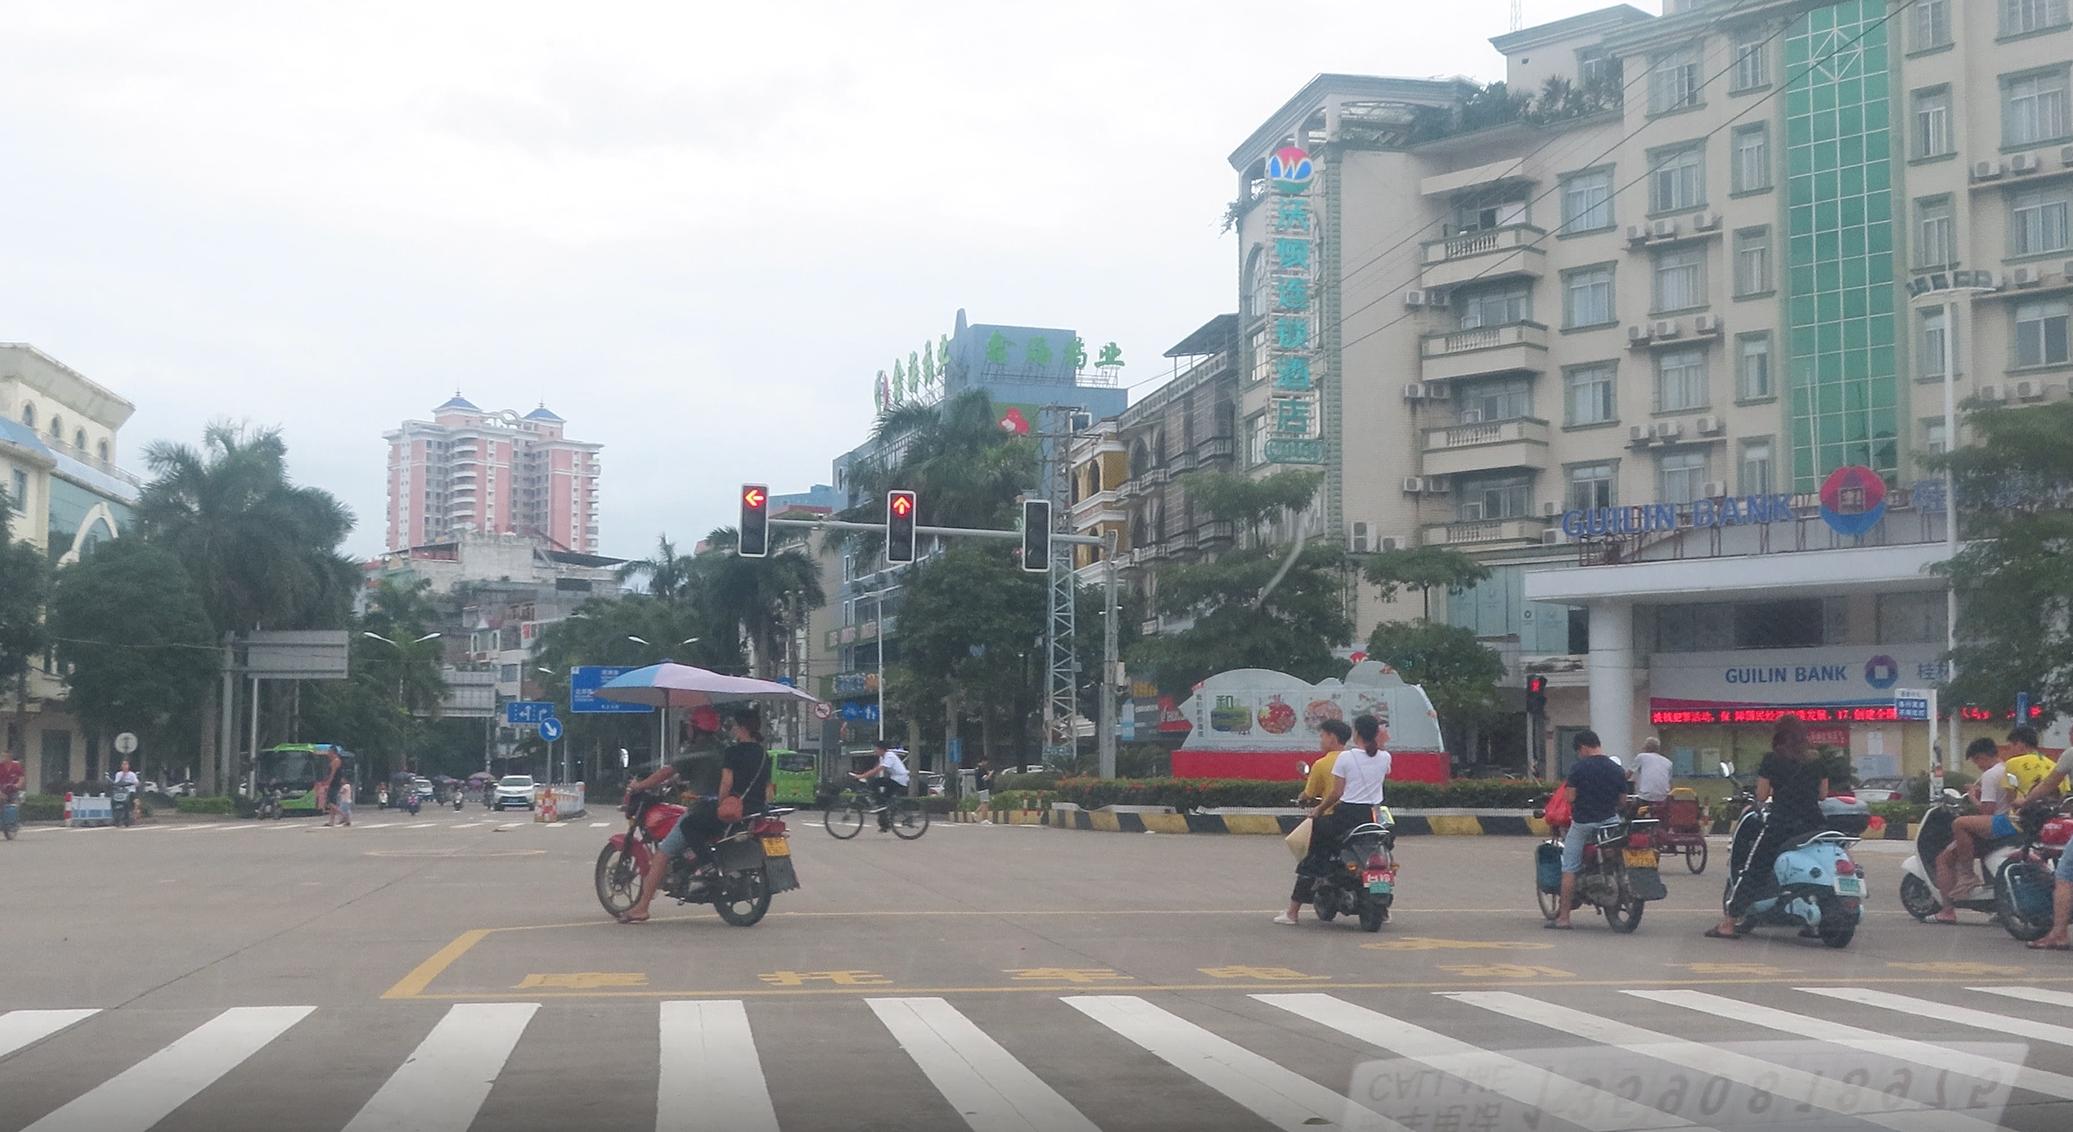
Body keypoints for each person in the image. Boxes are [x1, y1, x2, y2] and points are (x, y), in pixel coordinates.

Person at [619, 710, 771, 925]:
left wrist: (639, 786)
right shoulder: (727, 748)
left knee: (663, 853)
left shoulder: (699, 750)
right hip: (749, 809)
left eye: (689, 726)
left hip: (712, 808)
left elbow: (667, 772)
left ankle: (642, 907)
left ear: (695, 728)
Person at [1709, 714, 1827, 939]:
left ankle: (1729, 922)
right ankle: (1814, 922)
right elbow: (1822, 794)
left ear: (1778, 736)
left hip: (1782, 824)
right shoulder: (1816, 760)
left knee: (1754, 870)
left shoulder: (1772, 760)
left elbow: (1762, 795)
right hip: (1814, 824)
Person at [1276, 719, 1352, 925]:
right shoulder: (1357, 759)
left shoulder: (1323, 763)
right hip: (1361, 820)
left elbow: (1310, 793)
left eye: (1322, 735)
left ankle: (1292, 912)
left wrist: (1306, 801)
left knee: (1310, 859)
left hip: (1332, 821)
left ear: (1332, 738)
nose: (1321, 739)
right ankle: (1384, 912)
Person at [1550, 730, 1627, 930]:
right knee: (1616, 851)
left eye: (1579, 751)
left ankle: (1564, 918)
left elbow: (1570, 798)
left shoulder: (1578, 768)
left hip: (1584, 823)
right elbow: (1622, 800)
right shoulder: (1616, 768)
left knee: (1569, 867)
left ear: (1583, 747)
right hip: (1610, 821)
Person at [1934, 738, 2015, 920]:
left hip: (1996, 825)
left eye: (1977, 761)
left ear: (1982, 756)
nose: (1978, 766)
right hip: (2012, 826)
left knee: (1943, 858)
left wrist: (1972, 797)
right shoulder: (2008, 770)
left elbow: (1987, 811)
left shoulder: (1990, 775)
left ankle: (1949, 907)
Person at [2016, 736, 2073, 951]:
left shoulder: (2070, 754)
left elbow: (2048, 784)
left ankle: (2058, 933)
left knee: (2065, 876)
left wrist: (2024, 800)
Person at [853, 740, 911, 832]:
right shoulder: (882, 757)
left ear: (881, 749)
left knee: (874, 783)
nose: (874, 750)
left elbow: (878, 769)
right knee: (882, 802)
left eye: (876, 748)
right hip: (894, 779)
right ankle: (885, 825)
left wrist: (862, 776)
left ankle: (880, 804)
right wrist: (864, 775)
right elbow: (875, 769)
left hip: (899, 779)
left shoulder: (889, 756)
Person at [1629, 738, 1673, 805]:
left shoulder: (1641, 757)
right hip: (1663, 797)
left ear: (1646, 747)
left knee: (1631, 814)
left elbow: (1628, 774)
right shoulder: (1668, 762)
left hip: (1646, 796)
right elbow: (1669, 782)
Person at [317, 747, 344, 827]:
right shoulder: (335, 761)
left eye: (329, 752)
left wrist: (328, 783)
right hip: (335, 783)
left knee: (329, 802)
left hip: (334, 783)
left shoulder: (335, 761)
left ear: (333, 752)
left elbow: (332, 774)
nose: (328, 754)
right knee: (333, 802)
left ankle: (343, 815)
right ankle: (331, 821)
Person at [110, 759, 141, 827]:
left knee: (134, 801)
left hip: (130, 791)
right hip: (120, 791)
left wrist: (136, 783)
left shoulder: (132, 774)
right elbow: (116, 782)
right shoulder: (118, 774)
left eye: (126, 764)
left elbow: (136, 782)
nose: (124, 766)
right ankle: (115, 817)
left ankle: (131, 818)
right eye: (123, 764)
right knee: (113, 800)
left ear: (128, 766)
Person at [973, 760, 993, 826]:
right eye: (986, 762)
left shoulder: (976, 769)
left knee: (983, 802)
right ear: (983, 761)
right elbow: (985, 778)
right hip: (983, 787)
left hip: (979, 787)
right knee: (985, 803)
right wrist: (990, 774)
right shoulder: (981, 769)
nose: (987, 763)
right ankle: (985, 819)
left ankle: (975, 812)